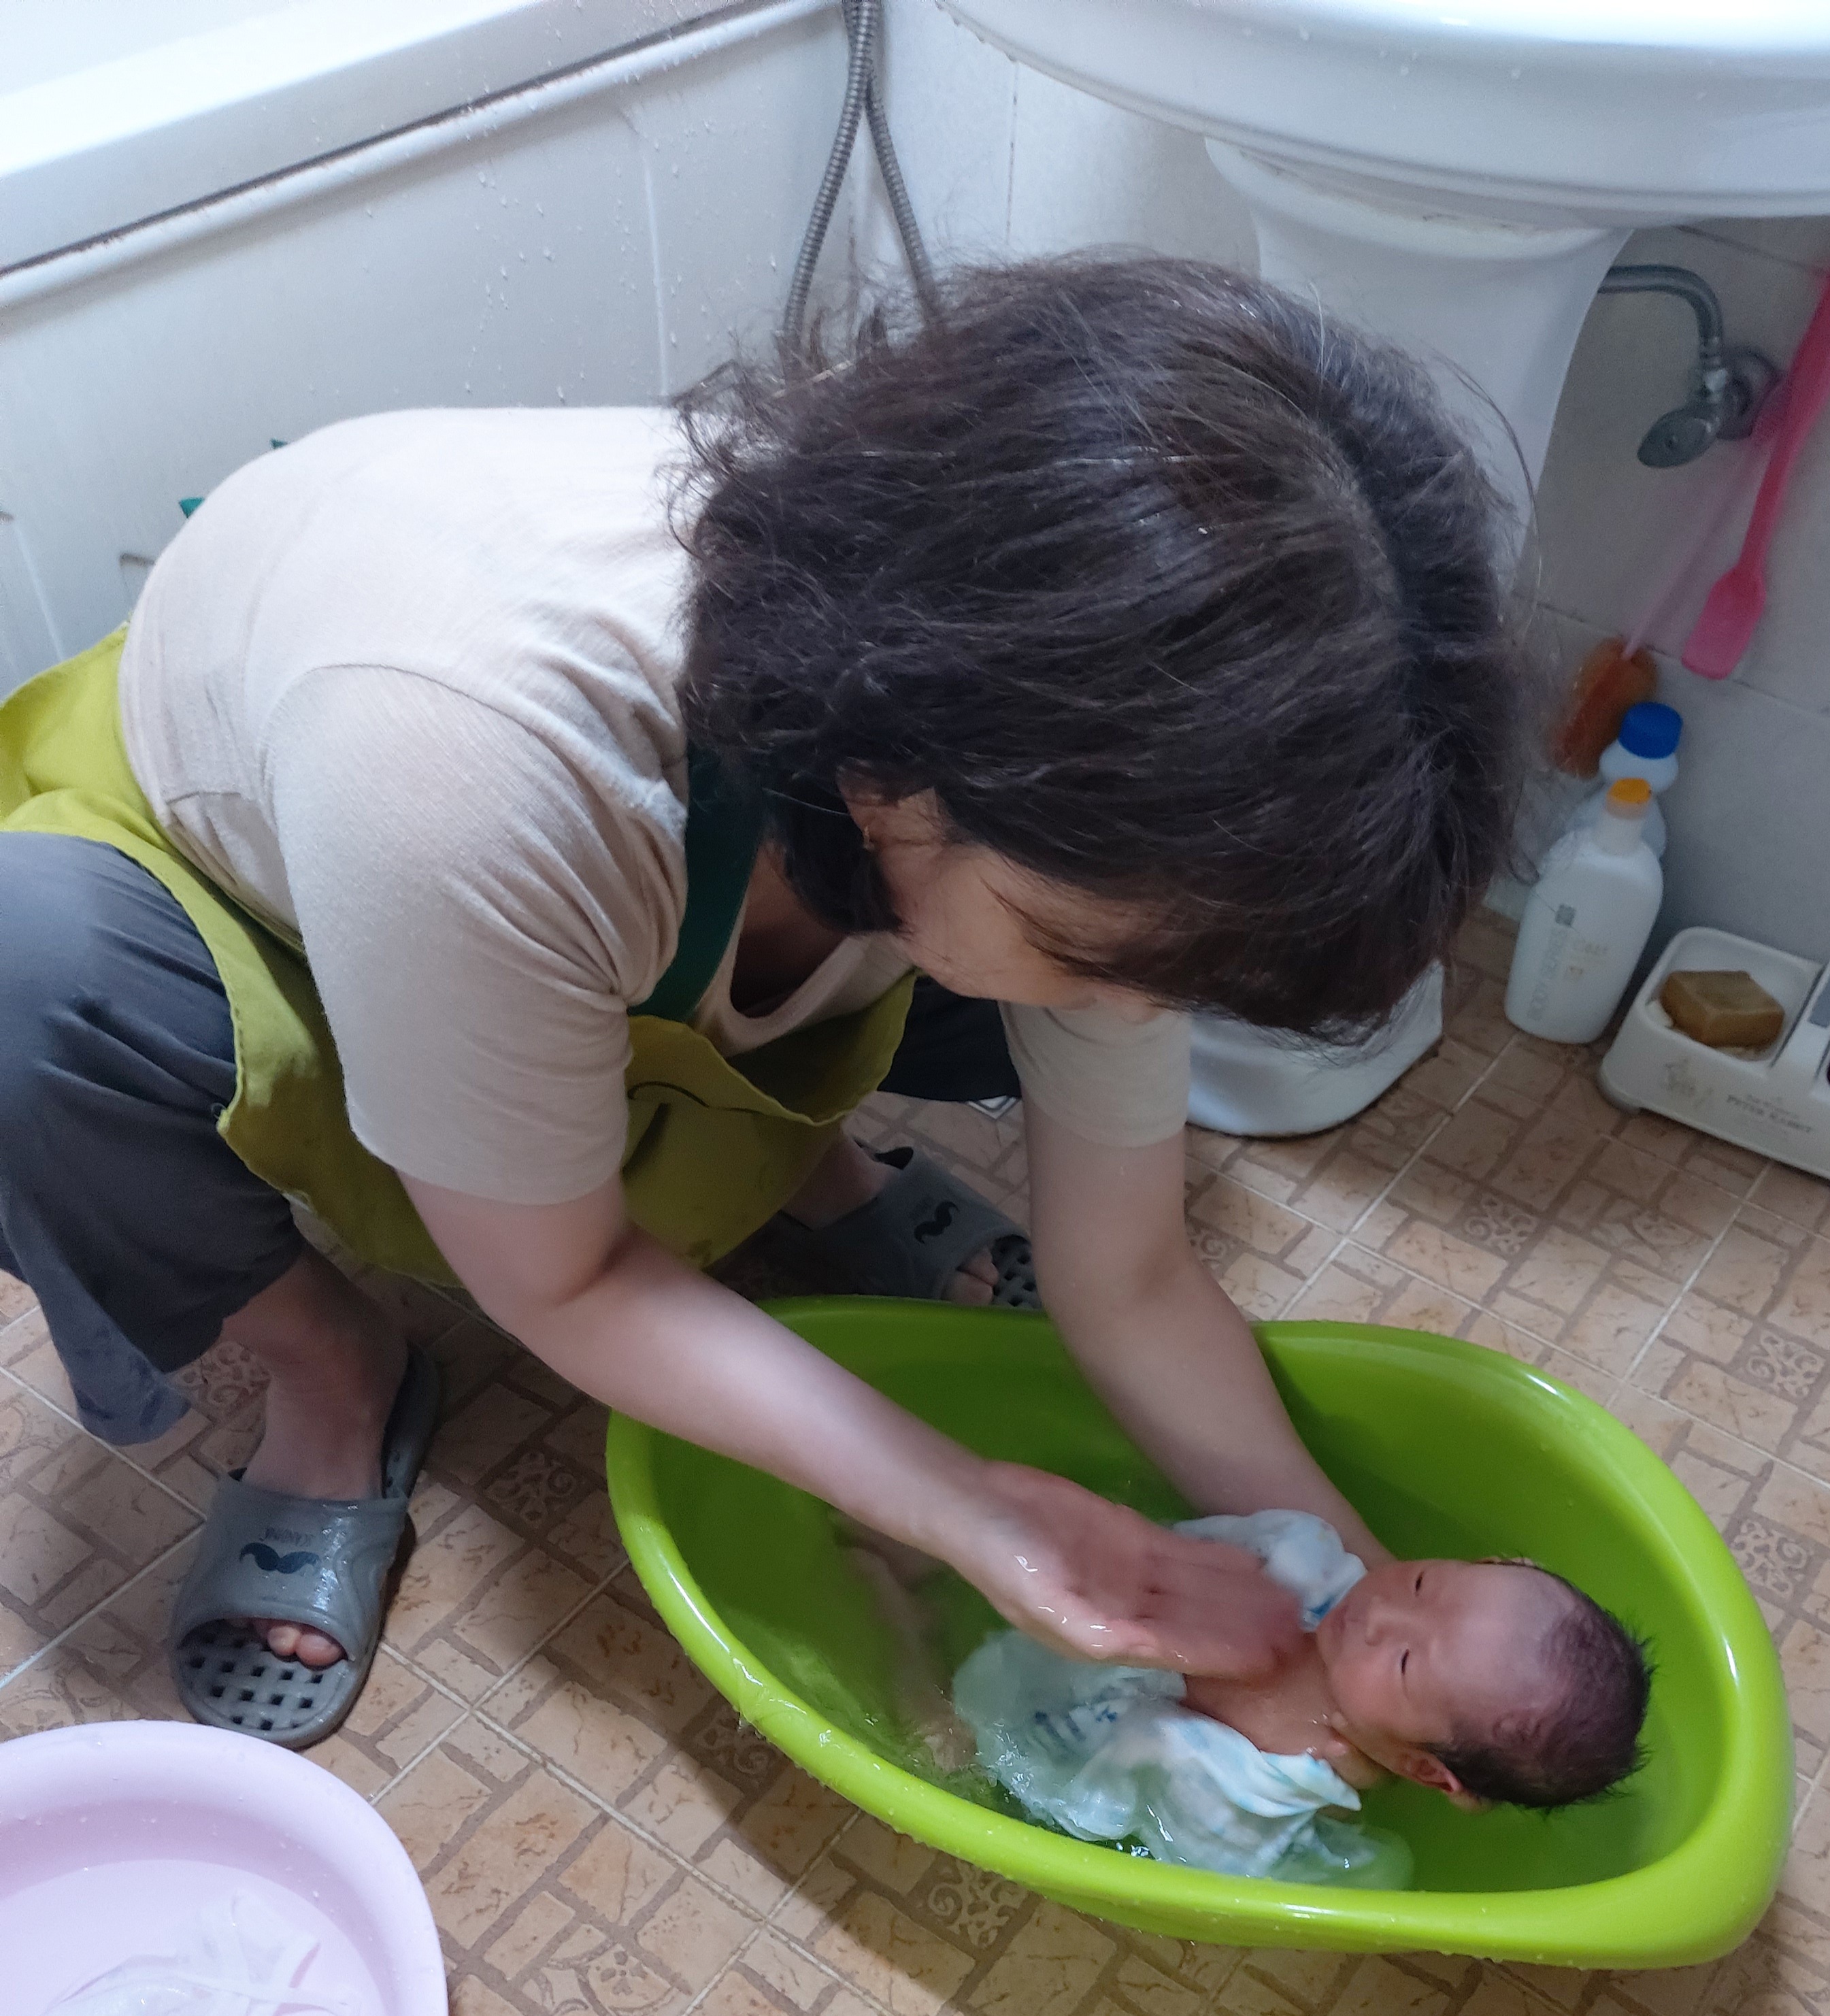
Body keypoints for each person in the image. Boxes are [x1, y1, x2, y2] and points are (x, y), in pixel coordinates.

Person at [0, 258, 1526, 1748]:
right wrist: (971, 1506)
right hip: (260, 862)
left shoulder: (1077, 737)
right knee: (27, 995)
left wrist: (1357, 1606)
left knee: (990, 979)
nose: (1136, 1004)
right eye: (1103, 946)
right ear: (910, 766)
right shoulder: (472, 767)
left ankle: (802, 1160)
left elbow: (1125, 1274)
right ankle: (336, 1374)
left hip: (709, 857)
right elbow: (568, 1279)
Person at [943, 1510, 1651, 1883]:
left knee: (953, 1737)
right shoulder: (1297, 1556)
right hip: (1060, 1624)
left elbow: (1194, 1841)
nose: (1379, 1612)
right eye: (1420, 1584)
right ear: (1491, 1561)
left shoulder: (1270, 1787)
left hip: (1040, 1718)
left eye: (1404, 1660)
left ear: (1424, 1768)